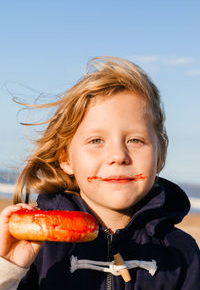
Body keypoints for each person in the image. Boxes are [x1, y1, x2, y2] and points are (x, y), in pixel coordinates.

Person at [0, 56, 200, 290]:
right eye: (96, 140)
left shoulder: (182, 253)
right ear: (65, 159)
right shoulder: (37, 248)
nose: (118, 155)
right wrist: (8, 270)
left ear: (160, 155)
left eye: (135, 140)